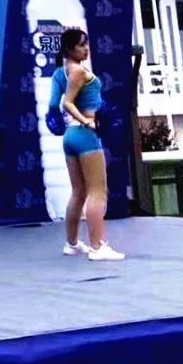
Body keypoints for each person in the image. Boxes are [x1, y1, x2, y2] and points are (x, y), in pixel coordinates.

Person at [54, 28, 124, 261]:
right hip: (84, 134)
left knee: (79, 191)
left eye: (86, 44)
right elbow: (67, 103)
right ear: (69, 48)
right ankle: (97, 246)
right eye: (81, 45)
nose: (86, 48)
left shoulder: (66, 70)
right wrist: (87, 121)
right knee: (97, 191)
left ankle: (72, 243)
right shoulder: (78, 71)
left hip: (71, 136)